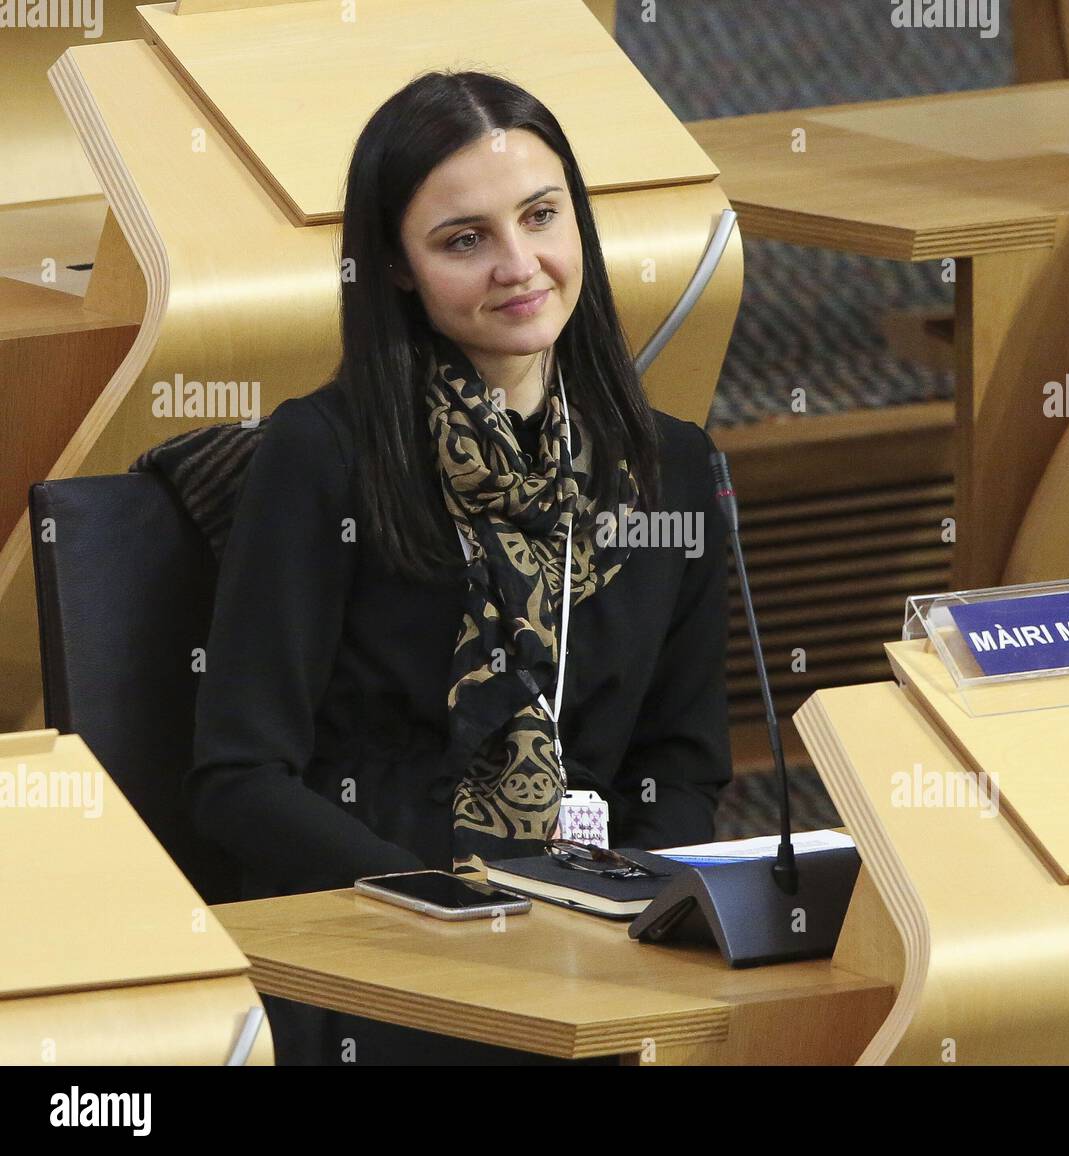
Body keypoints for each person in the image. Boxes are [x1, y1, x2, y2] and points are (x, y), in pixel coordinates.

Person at [186, 70, 733, 1064]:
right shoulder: (323, 457)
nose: (519, 265)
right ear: (397, 267)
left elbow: (683, 765)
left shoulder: (672, 467)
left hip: (593, 931)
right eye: (463, 240)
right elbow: (241, 779)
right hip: (381, 929)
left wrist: (616, 896)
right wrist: (448, 908)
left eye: (540, 216)